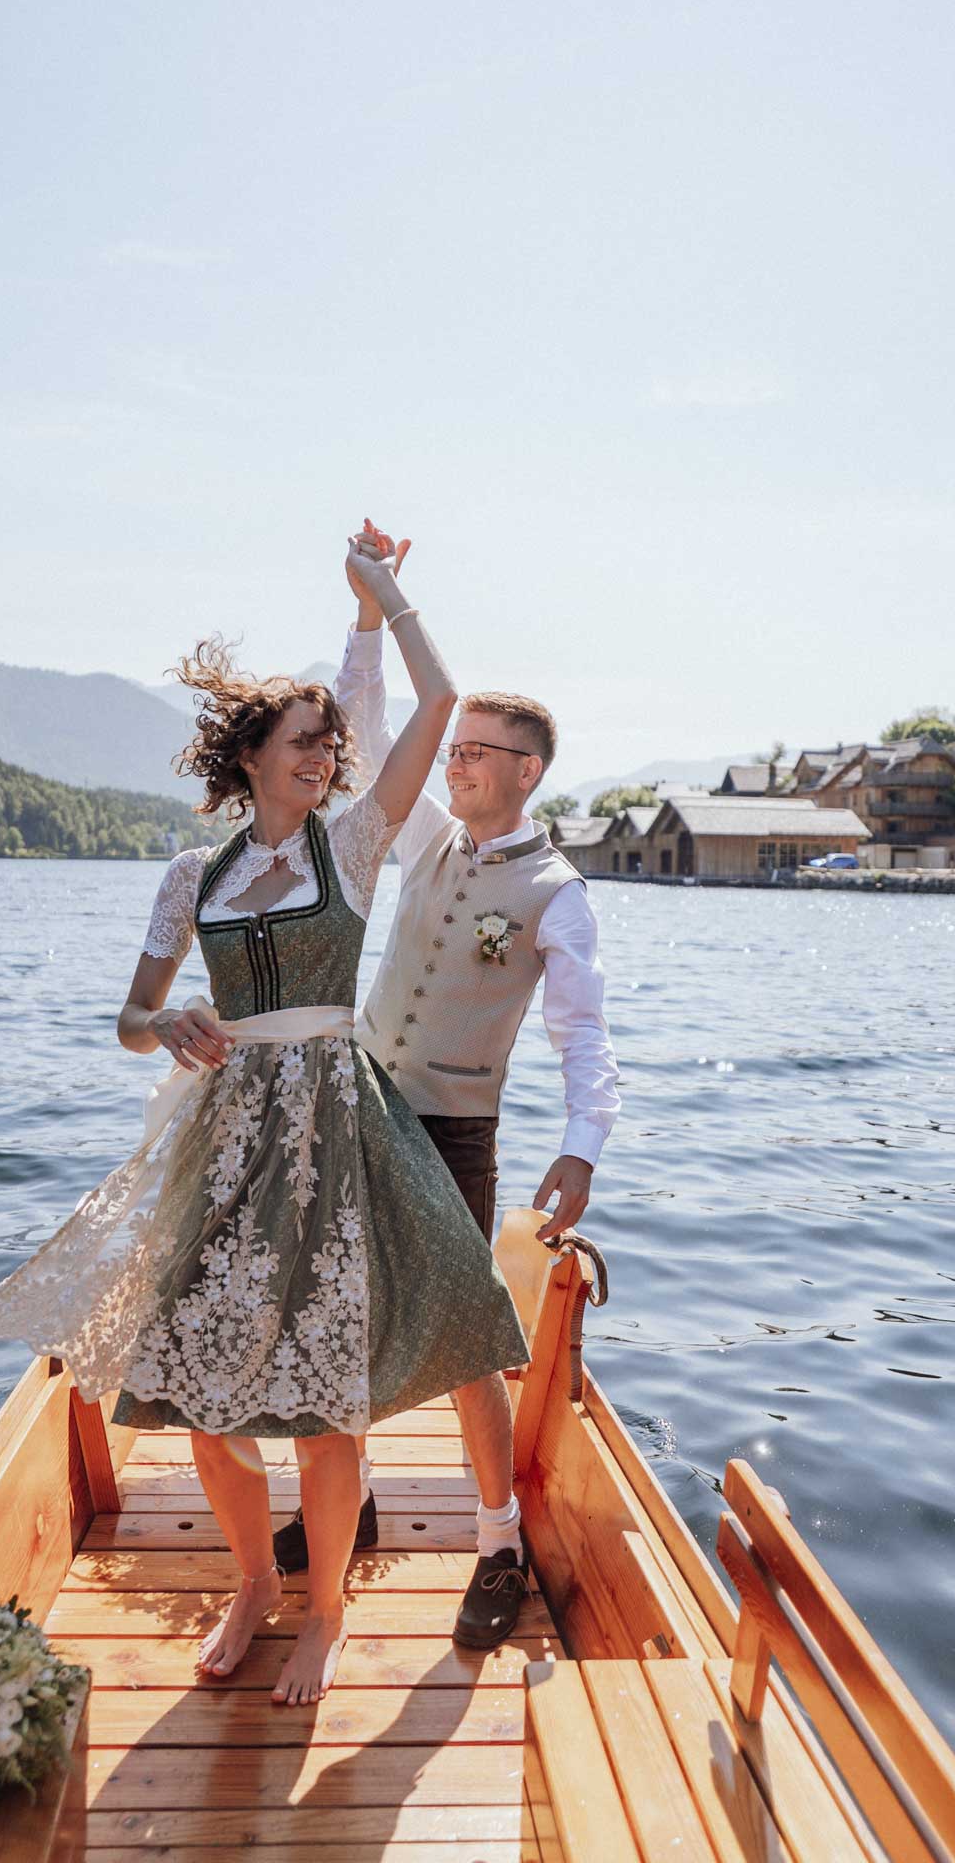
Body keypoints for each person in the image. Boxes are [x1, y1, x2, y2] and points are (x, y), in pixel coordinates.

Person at [0, 529, 529, 1707]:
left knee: (325, 1405)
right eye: (304, 740)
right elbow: (130, 1017)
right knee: (195, 1399)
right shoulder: (194, 874)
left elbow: (436, 702)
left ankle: (324, 1613)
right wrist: (165, 1020)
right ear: (254, 757)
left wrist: (385, 597)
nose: (325, 754)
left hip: (335, 1127)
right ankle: (254, 1584)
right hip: (224, 1135)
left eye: (331, 741)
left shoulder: (355, 844)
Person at [272, 523, 619, 1652]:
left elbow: (582, 1034)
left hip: (457, 1131)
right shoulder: (420, 836)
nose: (455, 762)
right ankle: (354, 1501)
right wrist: (368, 616)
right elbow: (371, 728)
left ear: (526, 771)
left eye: (477, 751)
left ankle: (497, 1543)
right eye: (455, 747)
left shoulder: (558, 893)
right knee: (336, 1304)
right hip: (358, 1102)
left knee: (471, 1346)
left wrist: (581, 1145)